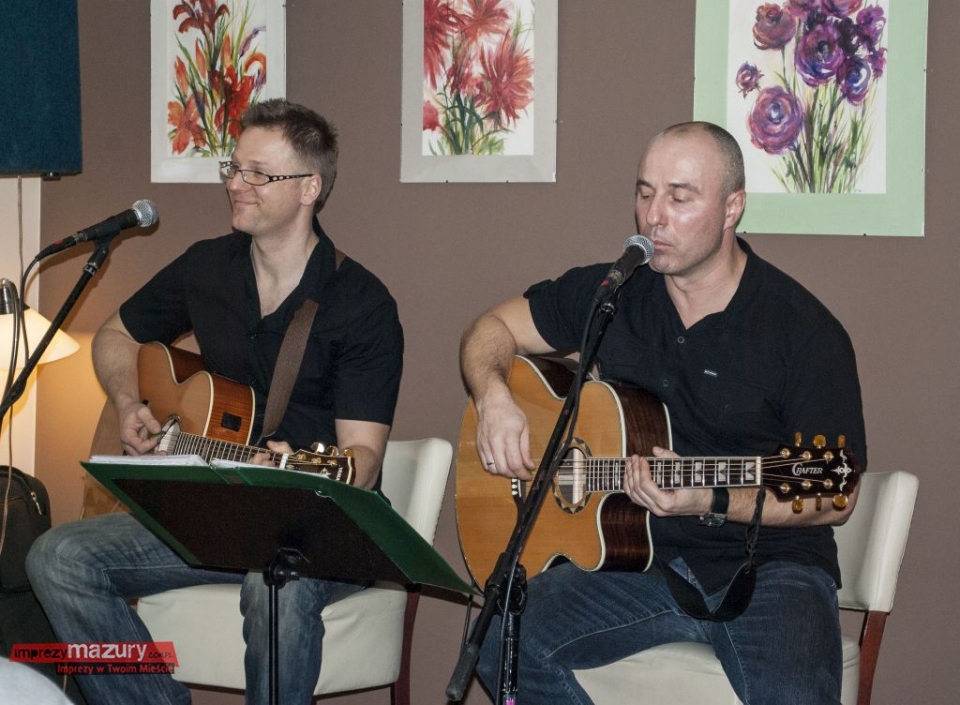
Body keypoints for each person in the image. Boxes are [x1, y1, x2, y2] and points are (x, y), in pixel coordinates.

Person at [460, 121, 866, 704]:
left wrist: (710, 499)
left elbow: (837, 493)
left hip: (771, 568)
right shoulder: (614, 294)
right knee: (501, 634)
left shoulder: (803, 333)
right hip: (638, 560)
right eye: (645, 193)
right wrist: (494, 396)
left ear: (732, 208)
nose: (653, 217)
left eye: (680, 197)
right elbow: (490, 328)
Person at [26, 99, 404, 705]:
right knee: (58, 556)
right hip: (212, 515)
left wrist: (301, 473)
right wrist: (127, 403)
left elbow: (362, 457)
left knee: (273, 586)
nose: (235, 184)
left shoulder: (360, 304)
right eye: (233, 167)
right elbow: (116, 335)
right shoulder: (205, 267)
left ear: (309, 188)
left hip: (314, 528)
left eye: (258, 173)